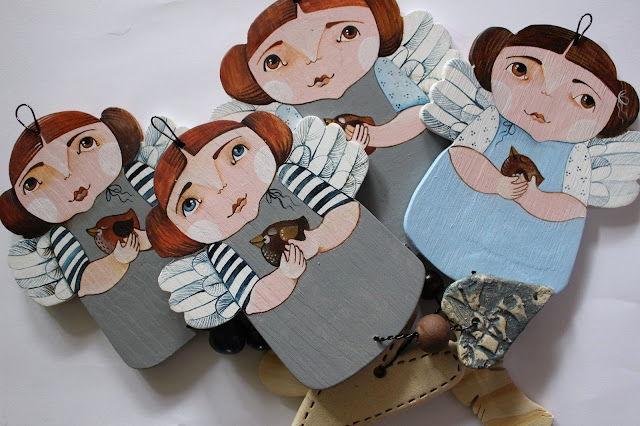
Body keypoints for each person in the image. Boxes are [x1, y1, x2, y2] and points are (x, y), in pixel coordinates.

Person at [149, 112, 424, 389]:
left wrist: (317, 240)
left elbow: (346, 212)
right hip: (315, 322)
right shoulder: (221, 253)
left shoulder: (291, 178)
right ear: (176, 229)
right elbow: (254, 299)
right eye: (191, 203)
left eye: (236, 152)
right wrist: (286, 276)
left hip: (370, 273)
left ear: (265, 139)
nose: (222, 186)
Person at [405, 23, 640, 292]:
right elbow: (462, 156)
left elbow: (573, 206)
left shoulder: (576, 154)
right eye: (521, 70)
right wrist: (495, 183)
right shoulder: (492, 119)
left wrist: (536, 200)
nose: (546, 100)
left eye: (585, 99)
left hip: (522, 255)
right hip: (453, 221)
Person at [1, 107, 195, 367]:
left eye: (85, 143)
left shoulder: (136, 176)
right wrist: (116, 261)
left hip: (194, 280)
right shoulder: (61, 235)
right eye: (35, 182)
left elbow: (178, 213)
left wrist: (153, 236)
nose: (68, 175)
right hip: (139, 319)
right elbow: (83, 281)